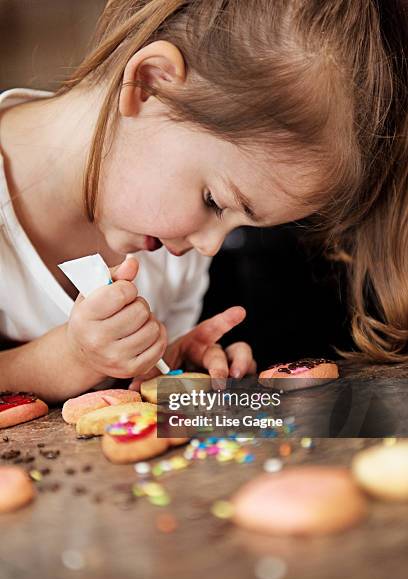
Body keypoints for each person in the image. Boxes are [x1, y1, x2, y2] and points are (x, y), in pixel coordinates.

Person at [0, 0, 406, 403]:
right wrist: (73, 358)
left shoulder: (169, 248)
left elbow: (117, 401)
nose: (211, 247)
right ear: (149, 84)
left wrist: (163, 363)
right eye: (214, 202)